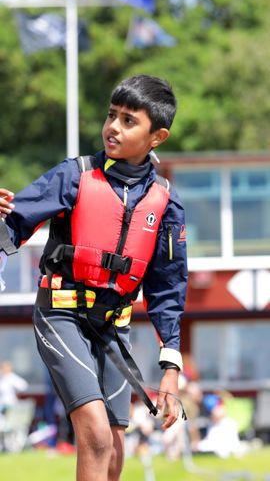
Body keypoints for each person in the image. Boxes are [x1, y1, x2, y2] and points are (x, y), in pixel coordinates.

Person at [0, 74, 188, 481]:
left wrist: (170, 365)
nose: (113, 128)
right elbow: (11, 223)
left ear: (157, 136)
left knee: (116, 454)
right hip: (60, 314)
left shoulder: (166, 203)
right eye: (111, 115)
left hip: (114, 328)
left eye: (128, 120)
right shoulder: (74, 175)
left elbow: (168, 288)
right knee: (97, 436)